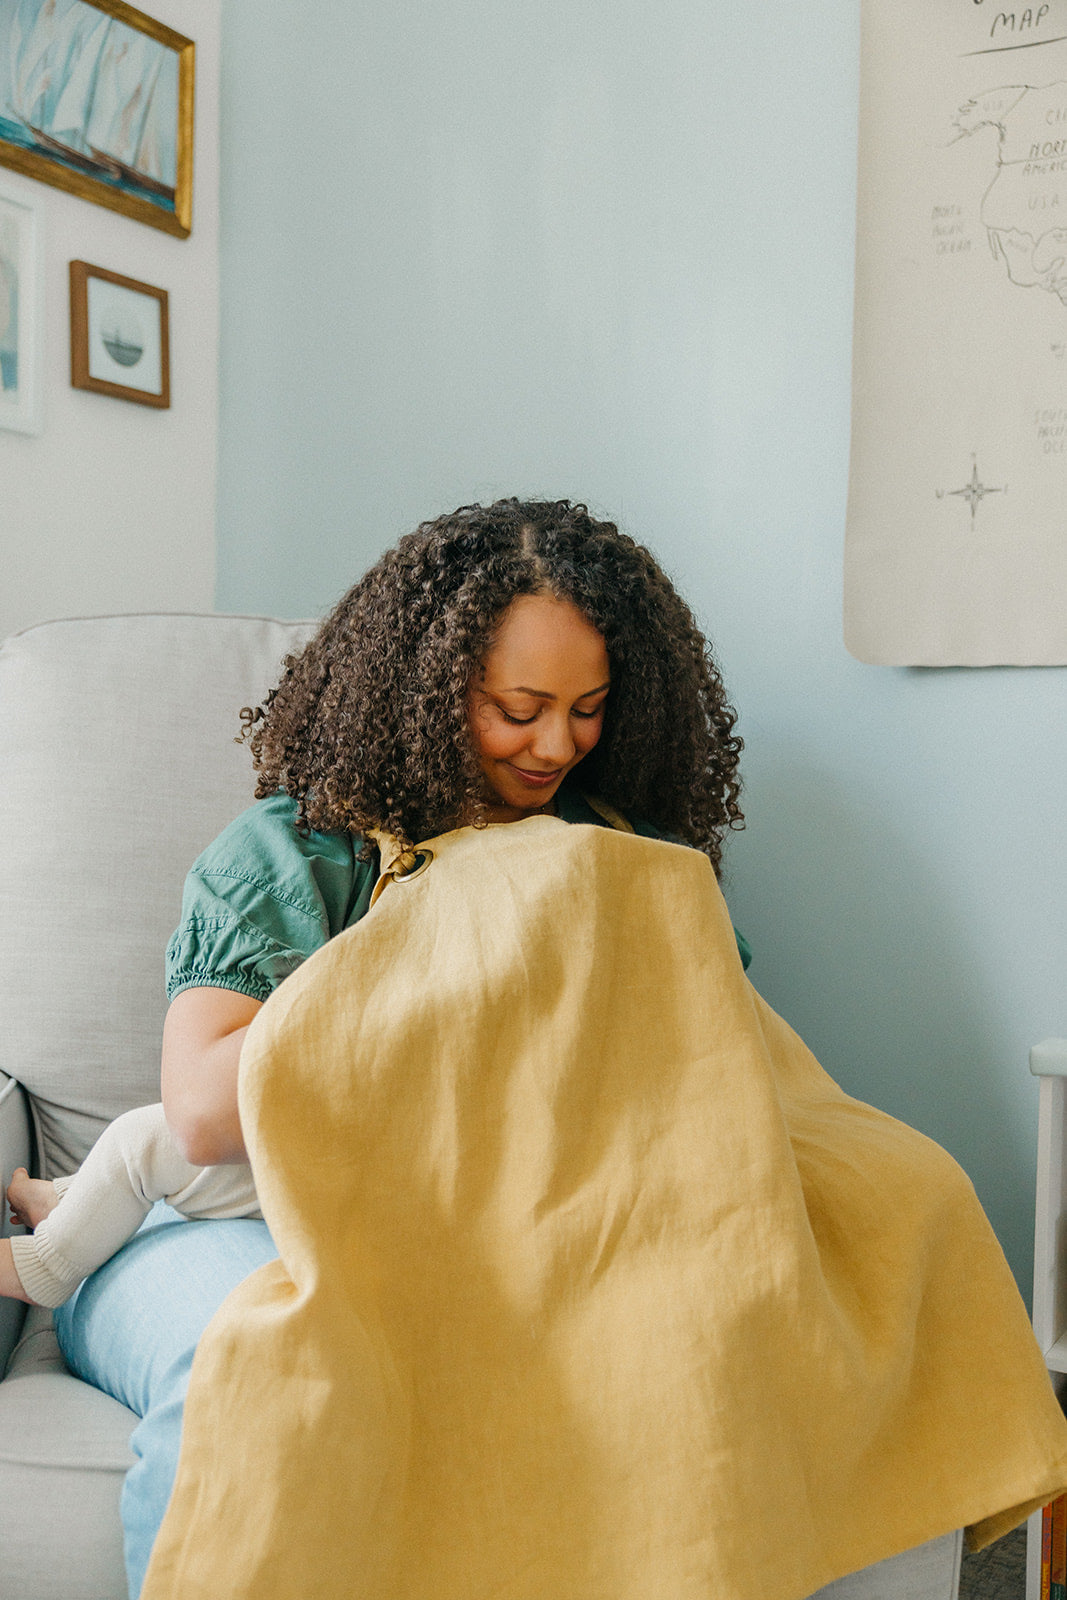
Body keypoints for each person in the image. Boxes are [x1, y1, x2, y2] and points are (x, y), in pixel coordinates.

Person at [38, 498, 1039, 1600]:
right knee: (257, 1385)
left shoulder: (626, 863)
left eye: (588, 709)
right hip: (225, 1211)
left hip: (510, 1236)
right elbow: (199, 1114)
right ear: (420, 692)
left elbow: (709, 1085)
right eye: (517, 708)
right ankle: (62, 1216)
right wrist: (462, 938)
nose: (556, 744)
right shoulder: (291, 849)